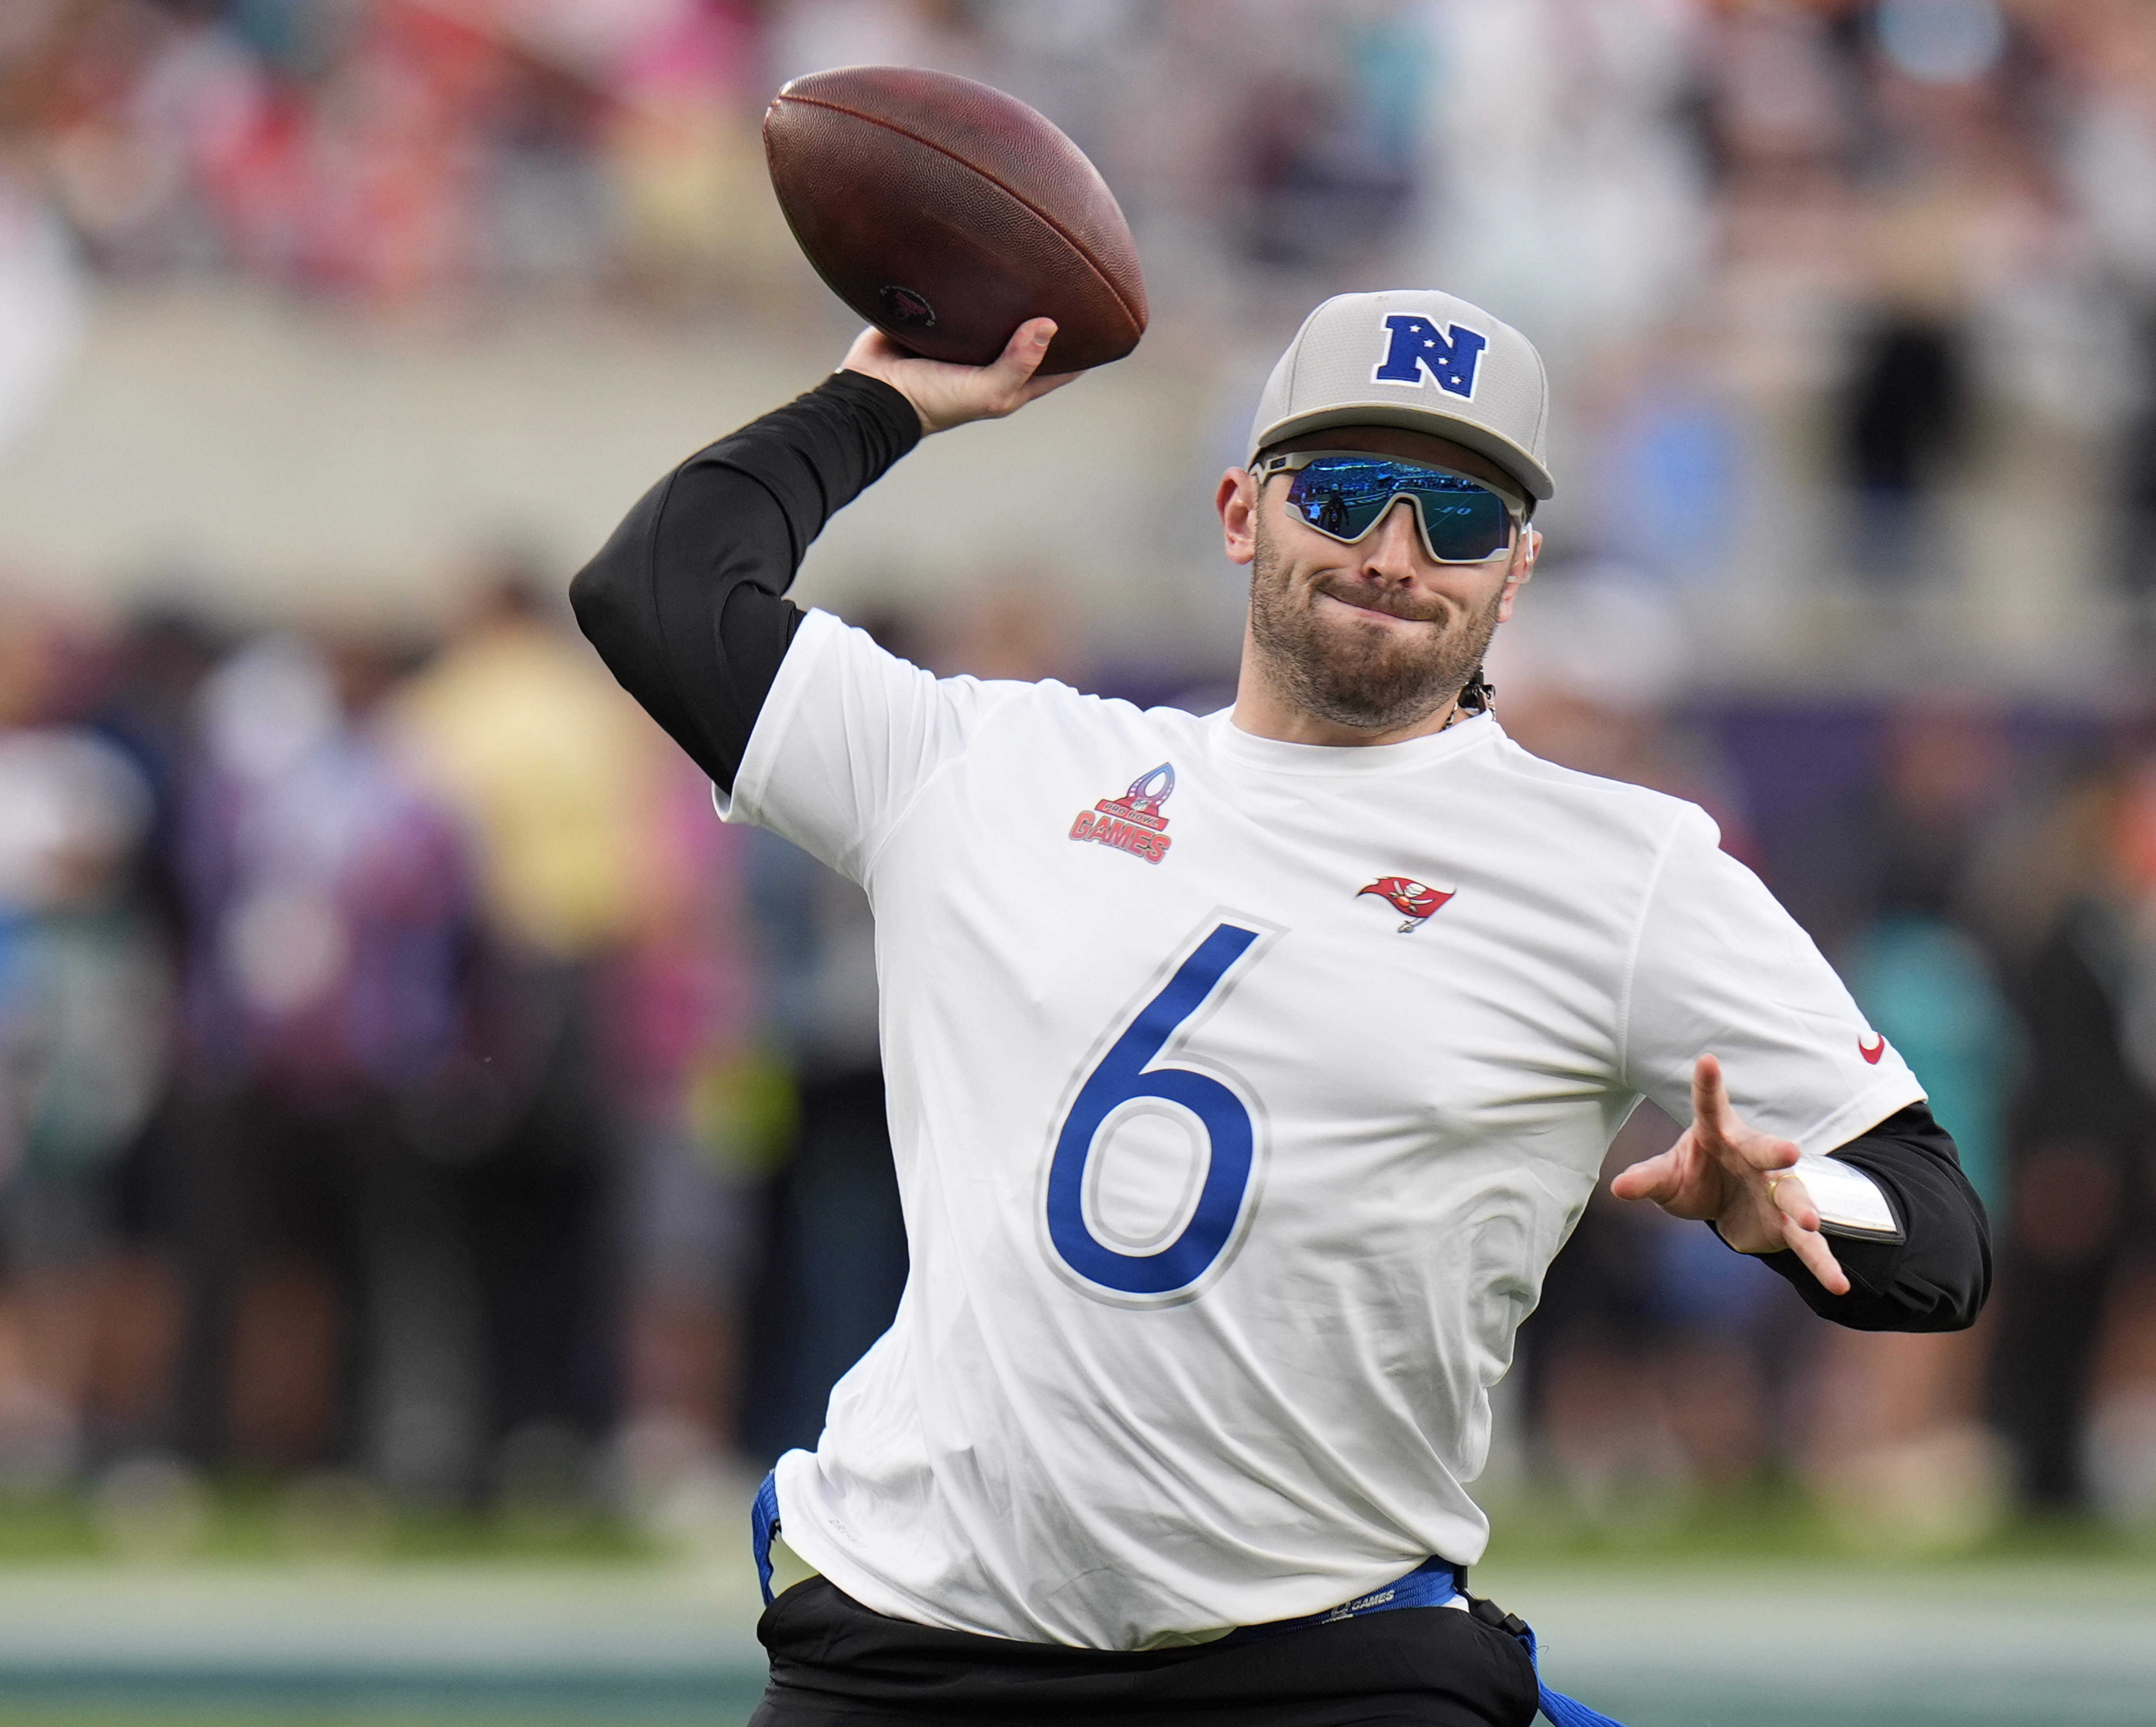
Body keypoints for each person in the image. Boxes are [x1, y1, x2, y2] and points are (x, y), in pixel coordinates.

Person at [572, 289, 1990, 1727]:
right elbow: (655, 590)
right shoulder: (996, 761)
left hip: (1324, 1658)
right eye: (1350, 495)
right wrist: (879, 404)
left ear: (1521, 570)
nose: (1393, 555)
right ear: (1244, 510)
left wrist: (1793, 1202)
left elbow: (1936, 1234)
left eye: (1460, 520)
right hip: (915, 1641)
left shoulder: (1626, 869)